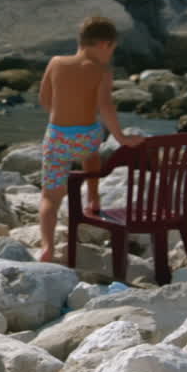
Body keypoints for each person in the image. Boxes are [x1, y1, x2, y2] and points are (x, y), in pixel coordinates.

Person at [37, 16, 144, 263]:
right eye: (112, 49)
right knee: (91, 152)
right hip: (86, 137)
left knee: (50, 197)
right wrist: (121, 137)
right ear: (104, 45)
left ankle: (47, 246)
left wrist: (60, 114)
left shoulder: (56, 63)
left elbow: (44, 99)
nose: (111, 55)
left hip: (58, 137)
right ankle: (93, 199)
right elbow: (105, 107)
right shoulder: (102, 71)